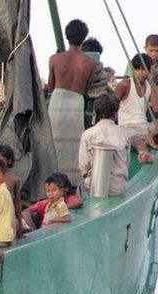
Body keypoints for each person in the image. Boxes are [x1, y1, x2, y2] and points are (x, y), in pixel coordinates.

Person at [46, 19, 99, 184]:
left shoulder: (55, 58)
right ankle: (71, 185)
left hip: (57, 102)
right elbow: (88, 87)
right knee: (74, 147)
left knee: (54, 144)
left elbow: (50, 86)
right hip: (76, 102)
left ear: (66, 36)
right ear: (84, 38)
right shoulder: (90, 62)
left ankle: (51, 184)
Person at [79, 94, 148, 196]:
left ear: (96, 113)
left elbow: (84, 166)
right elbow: (126, 162)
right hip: (118, 188)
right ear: (116, 114)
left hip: (93, 188)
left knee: (80, 187)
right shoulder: (123, 134)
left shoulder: (87, 134)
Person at [115, 54, 158, 151]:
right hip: (127, 130)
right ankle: (144, 149)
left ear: (149, 71)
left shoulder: (149, 86)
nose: (141, 73)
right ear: (133, 70)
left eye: (144, 70)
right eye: (138, 69)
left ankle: (148, 137)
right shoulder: (124, 85)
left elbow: (156, 108)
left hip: (146, 128)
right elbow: (113, 107)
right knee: (136, 141)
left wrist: (152, 84)